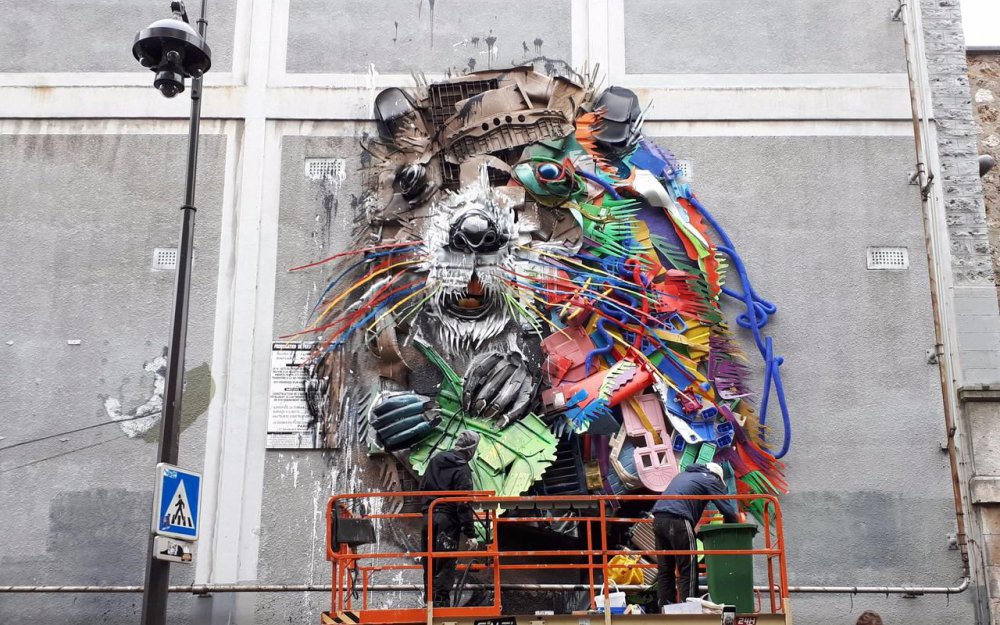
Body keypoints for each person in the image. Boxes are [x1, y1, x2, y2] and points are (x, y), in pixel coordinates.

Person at [651, 462, 743, 610]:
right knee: (689, 567)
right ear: (718, 478)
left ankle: (665, 608)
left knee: (665, 569)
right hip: (678, 519)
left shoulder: (685, 475)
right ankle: (689, 610)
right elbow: (726, 508)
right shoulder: (710, 479)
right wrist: (735, 528)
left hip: (658, 520)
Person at [419, 430, 481, 607]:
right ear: (471, 449)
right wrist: (470, 534)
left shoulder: (435, 460)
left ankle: (429, 601)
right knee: (445, 562)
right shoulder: (462, 469)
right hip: (447, 521)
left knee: (429, 561)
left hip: (428, 518)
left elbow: (422, 486)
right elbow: (463, 503)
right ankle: (440, 603)